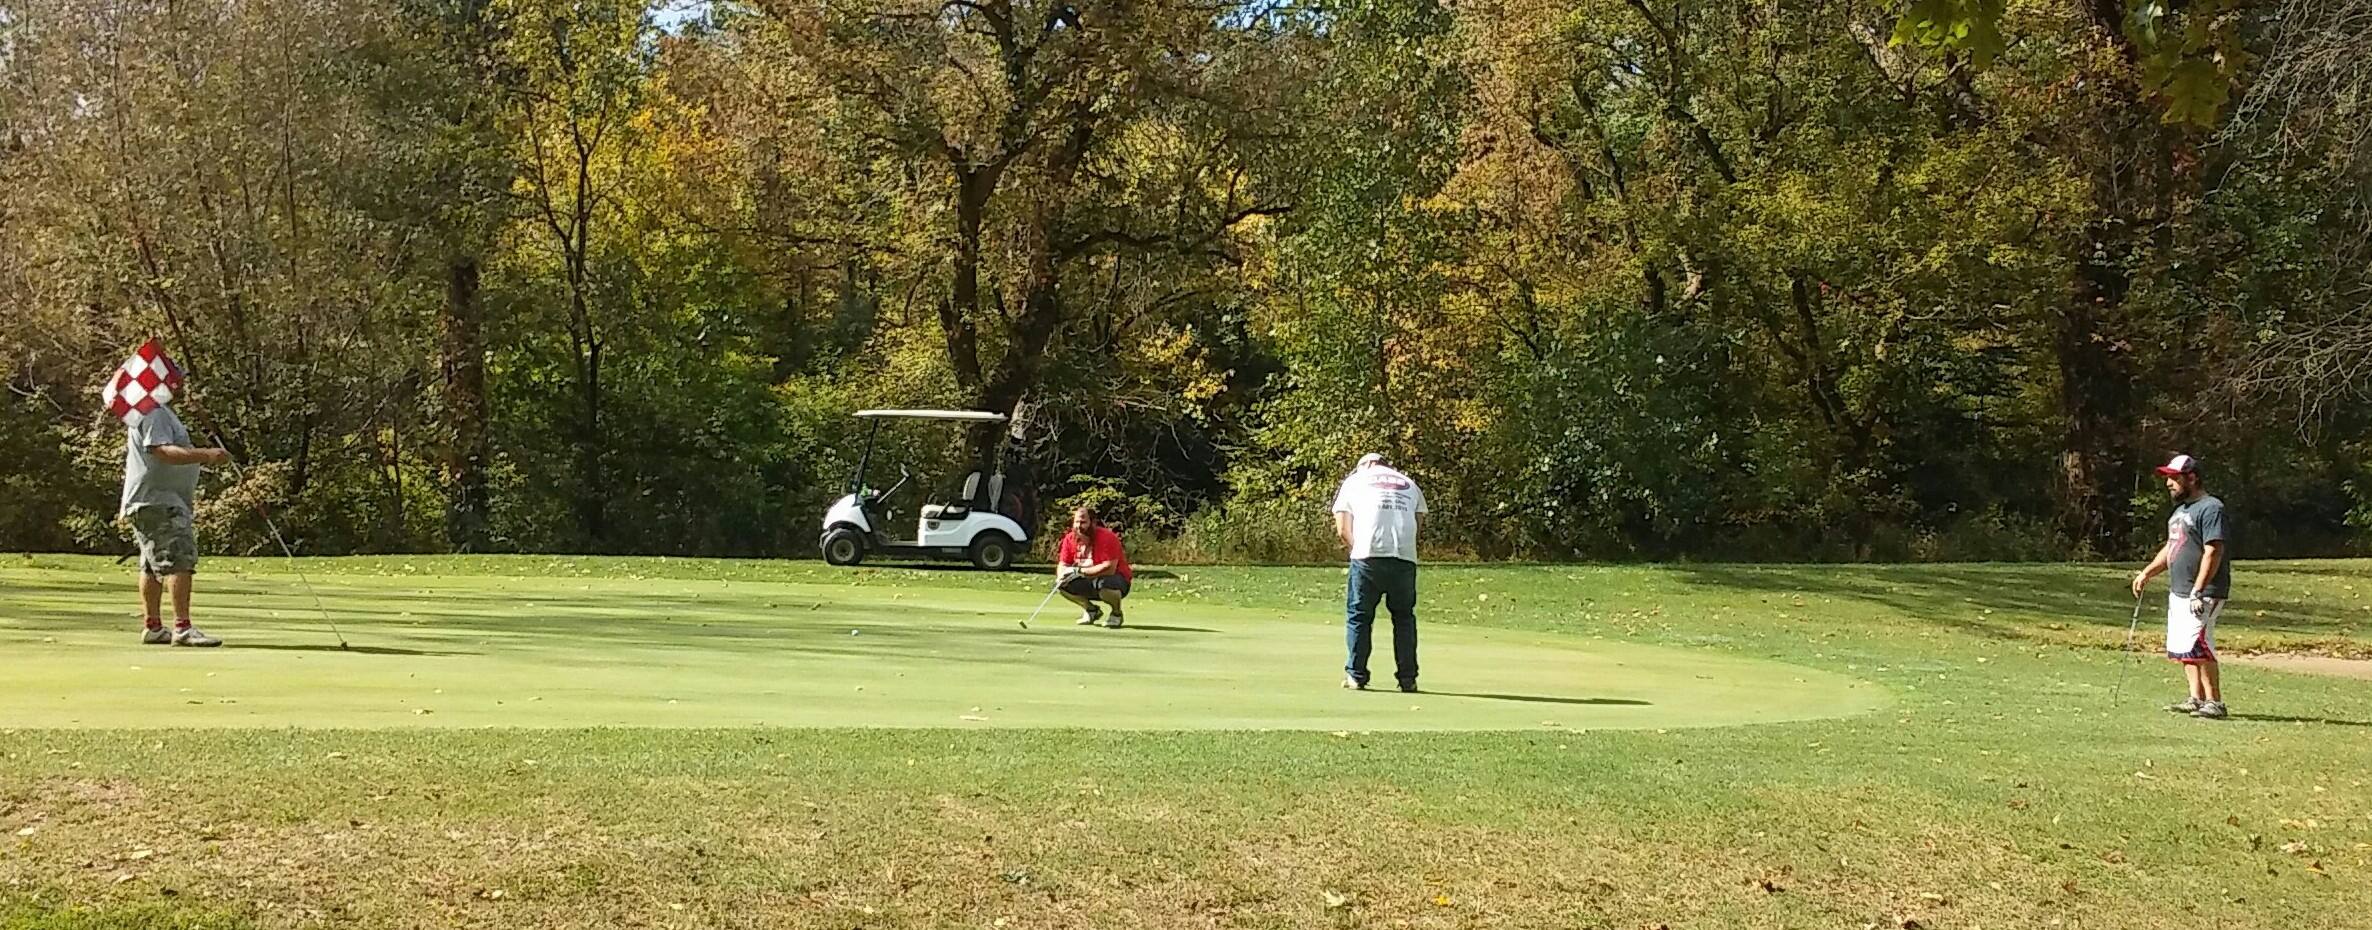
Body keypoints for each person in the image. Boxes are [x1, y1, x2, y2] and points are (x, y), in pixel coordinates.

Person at [2130, 453, 2231, 719]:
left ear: (2192, 477)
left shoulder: (2211, 508)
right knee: (2184, 645)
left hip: (2204, 593)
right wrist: (2147, 573)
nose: (2169, 484)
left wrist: (2199, 588)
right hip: (2179, 591)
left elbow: (2213, 551)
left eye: (2174, 478)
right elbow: (2171, 547)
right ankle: (2195, 699)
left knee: (2199, 643)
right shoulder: (2180, 511)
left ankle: (2215, 703)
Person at [122, 403, 231, 647]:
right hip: (159, 500)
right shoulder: (153, 411)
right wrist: (206, 455)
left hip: (154, 500)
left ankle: (154, 627)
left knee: (151, 565)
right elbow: (162, 451)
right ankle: (183, 627)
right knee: (179, 561)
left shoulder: (155, 410)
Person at [1332, 452, 1426, 692]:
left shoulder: (1355, 481)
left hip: (1368, 556)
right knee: (1404, 618)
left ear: (1364, 466)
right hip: (1404, 558)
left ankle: (1356, 675)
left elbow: (1343, 528)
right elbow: (1418, 523)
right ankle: (1408, 679)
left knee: (1359, 616)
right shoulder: (1409, 483)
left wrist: (1359, 548)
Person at [1055, 505, 1133, 628]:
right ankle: (1091, 610)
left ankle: (1116, 614)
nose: (1078, 526)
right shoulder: (1070, 539)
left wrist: (1079, 571)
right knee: (1061, 584)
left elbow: (1109, 568)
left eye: (1083, 522)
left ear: (1092, 522)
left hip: (1115, 579)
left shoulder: (1107, 537)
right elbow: (1063, 563)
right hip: (1089, 580)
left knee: (1103, 584)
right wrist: (1062, 576)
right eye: (1076, 522)